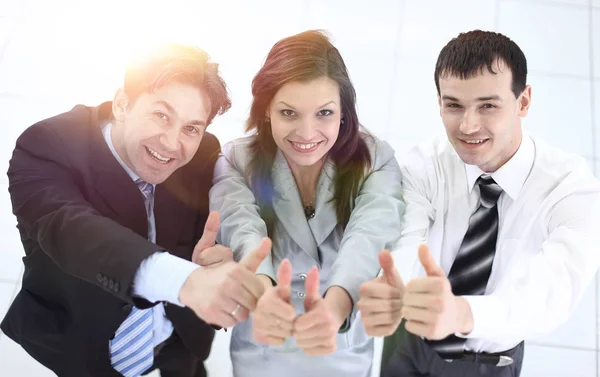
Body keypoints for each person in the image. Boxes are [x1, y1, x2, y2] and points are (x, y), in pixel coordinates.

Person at [1, 43, 271, 377]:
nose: (172, 144)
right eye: (161, 115)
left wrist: (221, 258)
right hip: (86, 343)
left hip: (178, 337)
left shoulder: (204, 152)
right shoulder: (47, 145)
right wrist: (185, 281)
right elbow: (72, 230)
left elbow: (214, 221)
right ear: (122, 104)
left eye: (191, 127)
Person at [357, 30, 600, 377]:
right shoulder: (422, 164)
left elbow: (551, 292)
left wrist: (461, 314)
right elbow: (407, 237)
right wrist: (394, 284)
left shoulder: (571, 189)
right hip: (408, 343)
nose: (468, 126)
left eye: (488, 105)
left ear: (524, 102)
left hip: (485, 364)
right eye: (453, 105)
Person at [209, 30, 405, 377]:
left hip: (341, 351)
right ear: (266, 109)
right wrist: (262, 293)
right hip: (263, 351)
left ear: (344, 112)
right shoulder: (237, 159)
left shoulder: (375, 159)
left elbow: (369, 236)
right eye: (289, 113)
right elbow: (243, 232)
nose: (307, 132)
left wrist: (337, 305)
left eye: (324, 113)